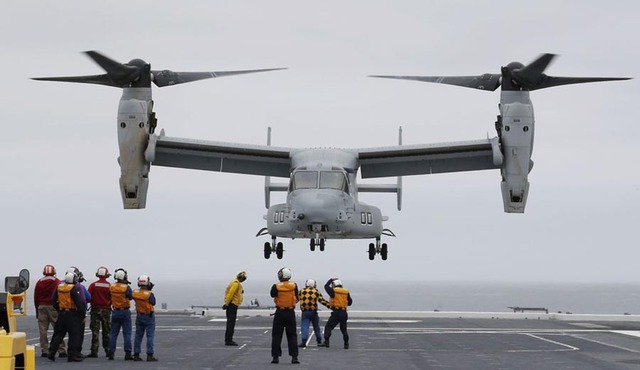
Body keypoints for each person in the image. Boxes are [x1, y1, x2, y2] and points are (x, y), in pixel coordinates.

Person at [47, 271, 85, 362]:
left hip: (61, 313)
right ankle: (72, 355)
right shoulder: (73, 289)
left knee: (58, 334)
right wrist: (82, 315)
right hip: (72, 314)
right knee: (74, 335)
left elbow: (53, 300)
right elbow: (78, 303)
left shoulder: (59, 287)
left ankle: (51, 352)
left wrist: (59, 309)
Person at [34, 264, 67, 358]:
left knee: (43, 330)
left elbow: (36, 297)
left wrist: (37, 309)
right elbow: (60, 295)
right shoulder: (57, 281)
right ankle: (61, 350)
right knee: (58, 329)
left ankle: (44, 350)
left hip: (41, 307)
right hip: (53, 307)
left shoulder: (39, 282)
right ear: (54, 272)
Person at [269, 267, 300, 364]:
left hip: (280, 312)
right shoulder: (294, 285)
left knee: (276, 336)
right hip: (290, 312)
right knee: (292, 336)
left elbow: (272, 294)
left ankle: (275, 357)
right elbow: (297, 297)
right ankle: (294, 357)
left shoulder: (276, 286)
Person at [318, 278, 352, 349]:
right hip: (344, 312)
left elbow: (326, 286)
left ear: (334, 285)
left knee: (328, 327)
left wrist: (330, 280)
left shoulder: (333, 291)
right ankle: (346, 344)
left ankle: (326, 342)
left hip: (336, 312)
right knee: (344, 329)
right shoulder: (346, 292)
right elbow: (350, 303)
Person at [108, 268, 133, 361]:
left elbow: (109, 296)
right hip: (125, 311)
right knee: (127, 333)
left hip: (115, 311)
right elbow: (130, 297)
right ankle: (128, 353)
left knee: (113, 333)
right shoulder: (126, 287)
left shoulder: (112, 286)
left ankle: (111, 352)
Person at [132, 275, 158, 362]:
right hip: (149, 316)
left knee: (138, 336)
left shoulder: (135, 292)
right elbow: (153, 302)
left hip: (139, 316)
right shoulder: (150, 294)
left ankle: (136, 354)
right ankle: (149, 355)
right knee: (150, 336)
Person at [87, 266, 112, 357]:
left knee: (95, 331)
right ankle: (108, 350)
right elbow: (112, 297)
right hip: (106, 310)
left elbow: (88, 297)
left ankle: (94, 351)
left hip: (95, 310)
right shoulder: (110, 286)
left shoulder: (93, 285)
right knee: (107, 331)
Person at [298, 279, 329, 347]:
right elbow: (322, 301)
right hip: (313, 312)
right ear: (314, 285)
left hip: (305, 312)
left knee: (305, 326)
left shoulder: (301, 291)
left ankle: (304, 341)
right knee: (316, 327)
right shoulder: (316, 291)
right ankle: (319, 341)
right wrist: (330, 306)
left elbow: (295, 299)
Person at [223, 271, 247, 346]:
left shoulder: (235, 283)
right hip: (232, 305)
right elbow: (231, 294)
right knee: (231, 323)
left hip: (232, 305)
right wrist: (227, 304)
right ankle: (229, 340)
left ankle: (228, 339)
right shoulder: (236, 284)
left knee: (231, 323)